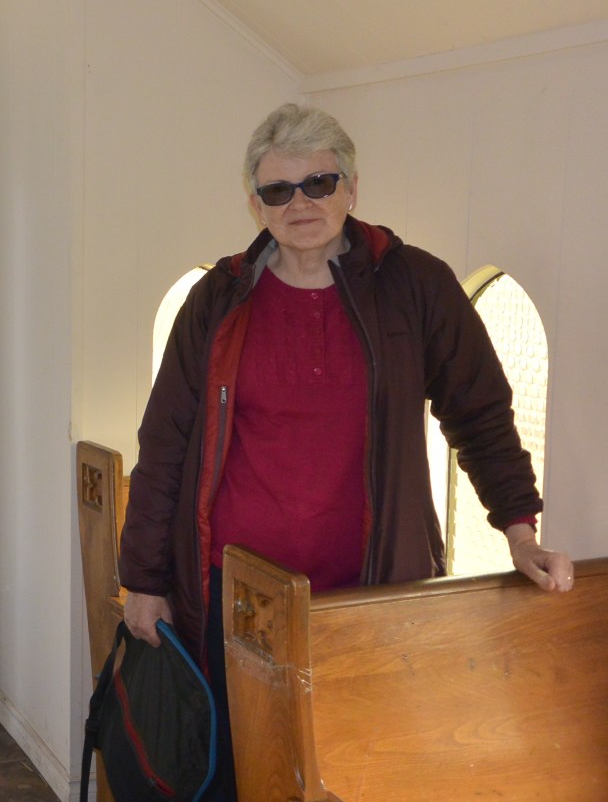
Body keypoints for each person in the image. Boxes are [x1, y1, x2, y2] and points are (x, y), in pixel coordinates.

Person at [117, 103, 574, 800]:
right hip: (237, 599)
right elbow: (164, 444)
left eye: (319, 183)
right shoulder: (218, 300)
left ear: (352, 189)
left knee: (355, 769)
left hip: (371, 592)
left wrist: (518, 529)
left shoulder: (416, 285)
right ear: (255, 204)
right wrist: (145, 580)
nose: (300, 203)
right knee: (240, 772)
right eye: (278, 190)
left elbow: (480, 413)